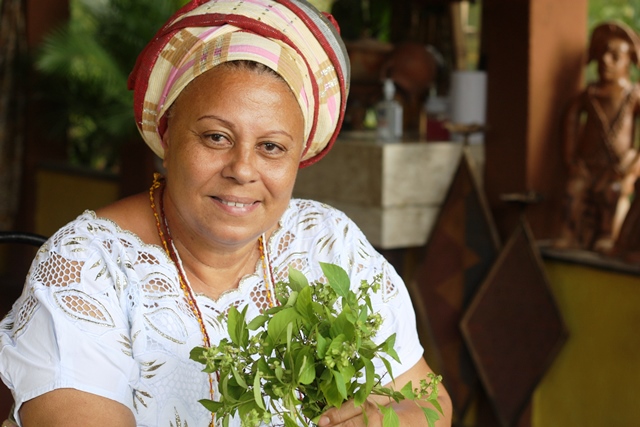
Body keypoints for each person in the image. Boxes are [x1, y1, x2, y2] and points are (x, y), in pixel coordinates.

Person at [0, 0, 452, 426]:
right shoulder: (89, 268)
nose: (242, 170)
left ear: (297, 159)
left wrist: (391, 419)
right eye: (216, 137)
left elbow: (427, 402)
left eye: (271, 147)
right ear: (169, 131)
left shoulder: (328, 242)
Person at [556, 21, 640, 253]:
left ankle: (607, 235)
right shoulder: (589, 95)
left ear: (629, 62)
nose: (606, 61)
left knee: (612, 192)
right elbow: (570, 123)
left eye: (615, 56)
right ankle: (569, 234)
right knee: (574, 191)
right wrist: (571, 160)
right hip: (587, 166)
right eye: (602, 54)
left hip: (617, 168)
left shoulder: (633, 95)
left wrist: (634, 162)